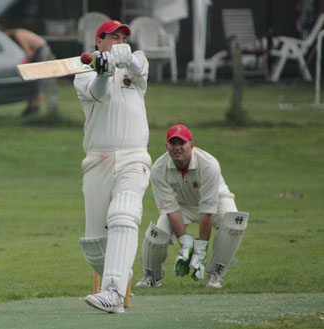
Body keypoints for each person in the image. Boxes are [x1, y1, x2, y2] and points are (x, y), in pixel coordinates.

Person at [74, 20, 151, 314]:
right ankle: (118, 274)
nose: (119, 41)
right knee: (95, 247)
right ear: (99, 42)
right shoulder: (84, 72)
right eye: (113, 38)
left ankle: (114, 290)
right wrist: (104, 72)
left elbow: (137, 67)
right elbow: (99, 93)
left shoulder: (138, 59)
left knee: (124, 214)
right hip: (98, 160)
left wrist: (123, 57)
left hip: (134, 156)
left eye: (123, 37)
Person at [136, 124, 249, 289]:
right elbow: (171, 209)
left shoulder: (209, 165)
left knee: (235, 222)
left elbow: (207, 211)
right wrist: (185, 244)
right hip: (181, 205)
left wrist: (200, 251)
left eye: (181, 143)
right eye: (173, 143)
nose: (177, 148)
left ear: (191, 145)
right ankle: (151, 276)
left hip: (216, 201)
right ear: (166, 146)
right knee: (157, 235)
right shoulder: (159, 169)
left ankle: (215, 274)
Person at [4, 28, 52, 116]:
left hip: (41, 50)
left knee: (39, 79)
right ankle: (31, 105)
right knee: (32, 79)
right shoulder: (16, 34)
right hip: (37, 51)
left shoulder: (17, 35)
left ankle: (36, 106)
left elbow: (28, 53)